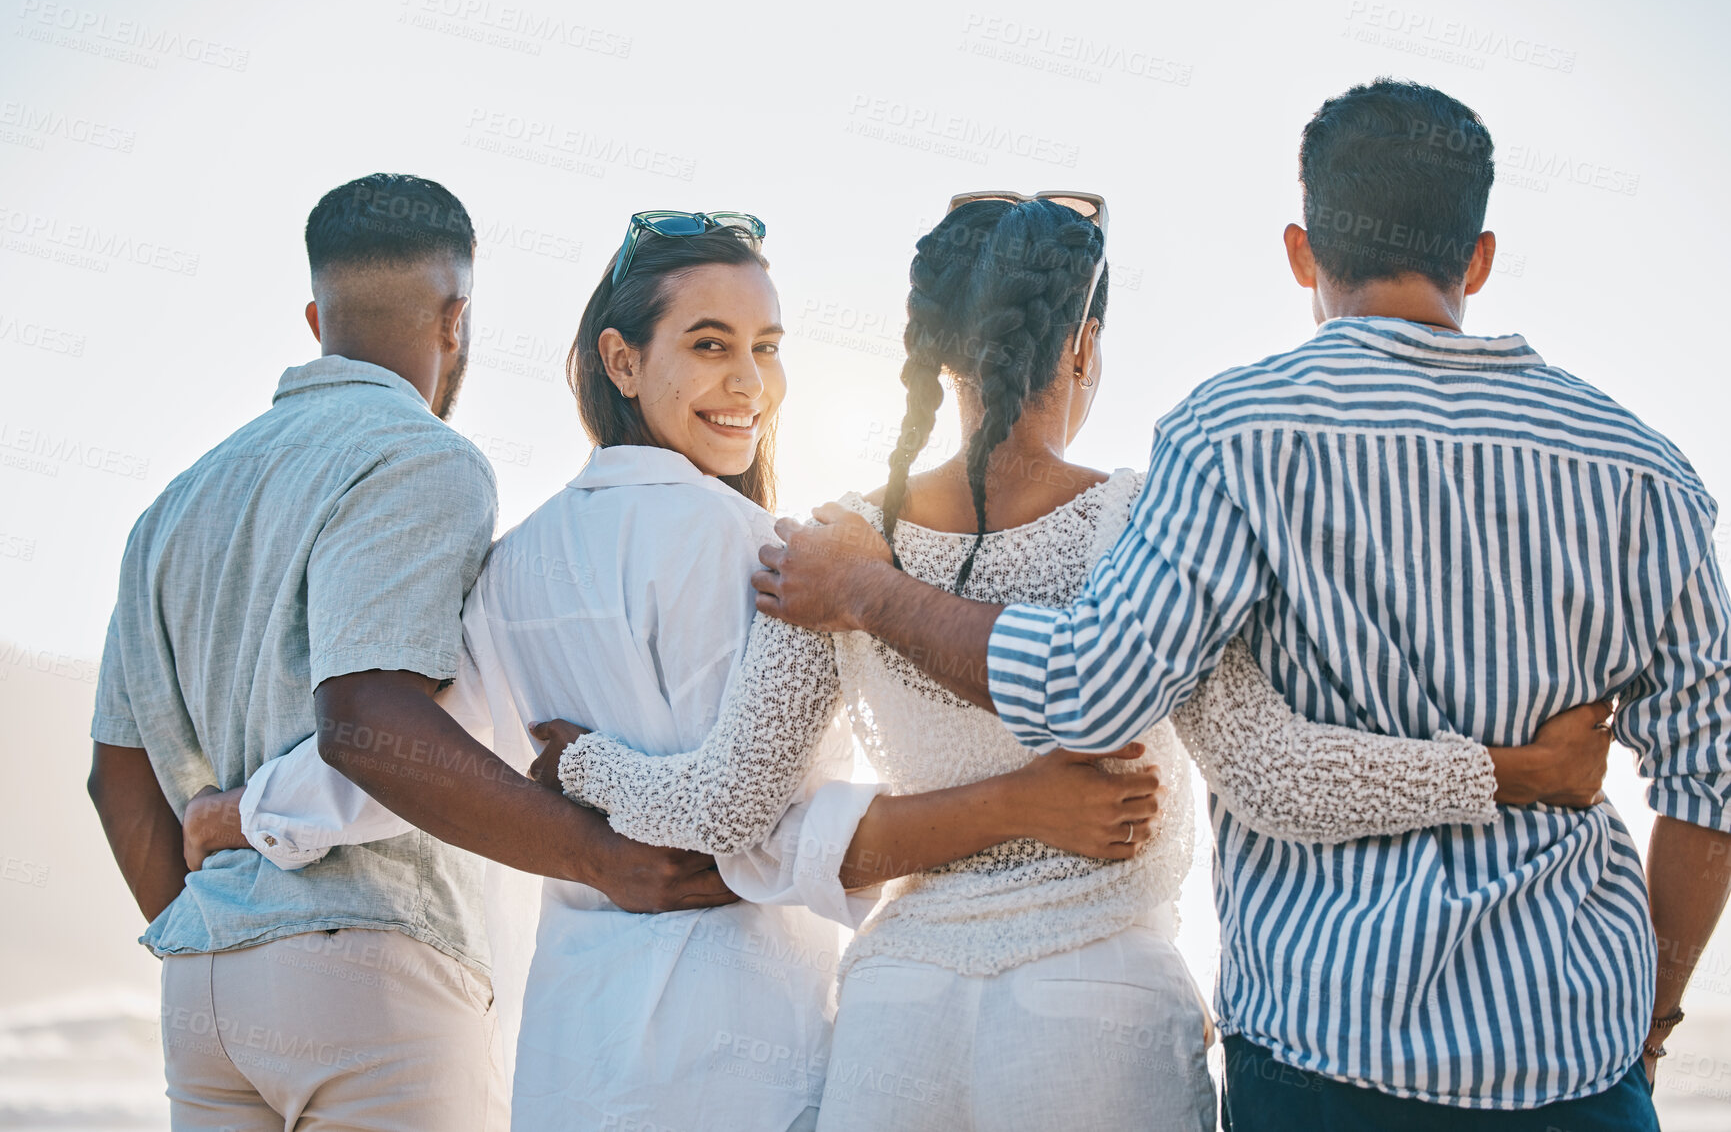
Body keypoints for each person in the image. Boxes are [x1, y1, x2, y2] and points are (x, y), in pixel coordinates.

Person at [756, 82, 1731, 1130]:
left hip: (1322, 1056)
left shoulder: (1232, 437)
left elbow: (1089, 694)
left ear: (1301, 252)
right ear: (1478, 258)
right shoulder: (1645, 472)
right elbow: (1711, 785)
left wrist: (866, 589)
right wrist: (1653, 1015)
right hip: (1570, 1058)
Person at [545, 193, 1621, 1130]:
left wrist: (582, 763)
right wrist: (1506, 772)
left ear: (934, 349)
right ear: (1080, 347)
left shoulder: (835, 541)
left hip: (897, 1017)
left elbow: (727, 806)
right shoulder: (1143, 522)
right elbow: (1273, 773)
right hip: (1097, 1000)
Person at [197, 212, 1180, 1130]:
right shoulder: (779, 562)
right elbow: (765, 835)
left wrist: (241, 814)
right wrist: (1019, 804)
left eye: (766, 347)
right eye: (710, 345)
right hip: (747, 1059)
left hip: (575, 1062)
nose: (750, 383)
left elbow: (402, 758)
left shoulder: (512, 566)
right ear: (621, 361)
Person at [86, 174, 727, 1130]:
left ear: (317, 315)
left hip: (203, 994)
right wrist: (600, 857)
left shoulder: (173, 505)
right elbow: (369, 720)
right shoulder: (422, 457)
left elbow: (115, 779)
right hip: (371, 973)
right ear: (456, 317)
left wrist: (217, 933)